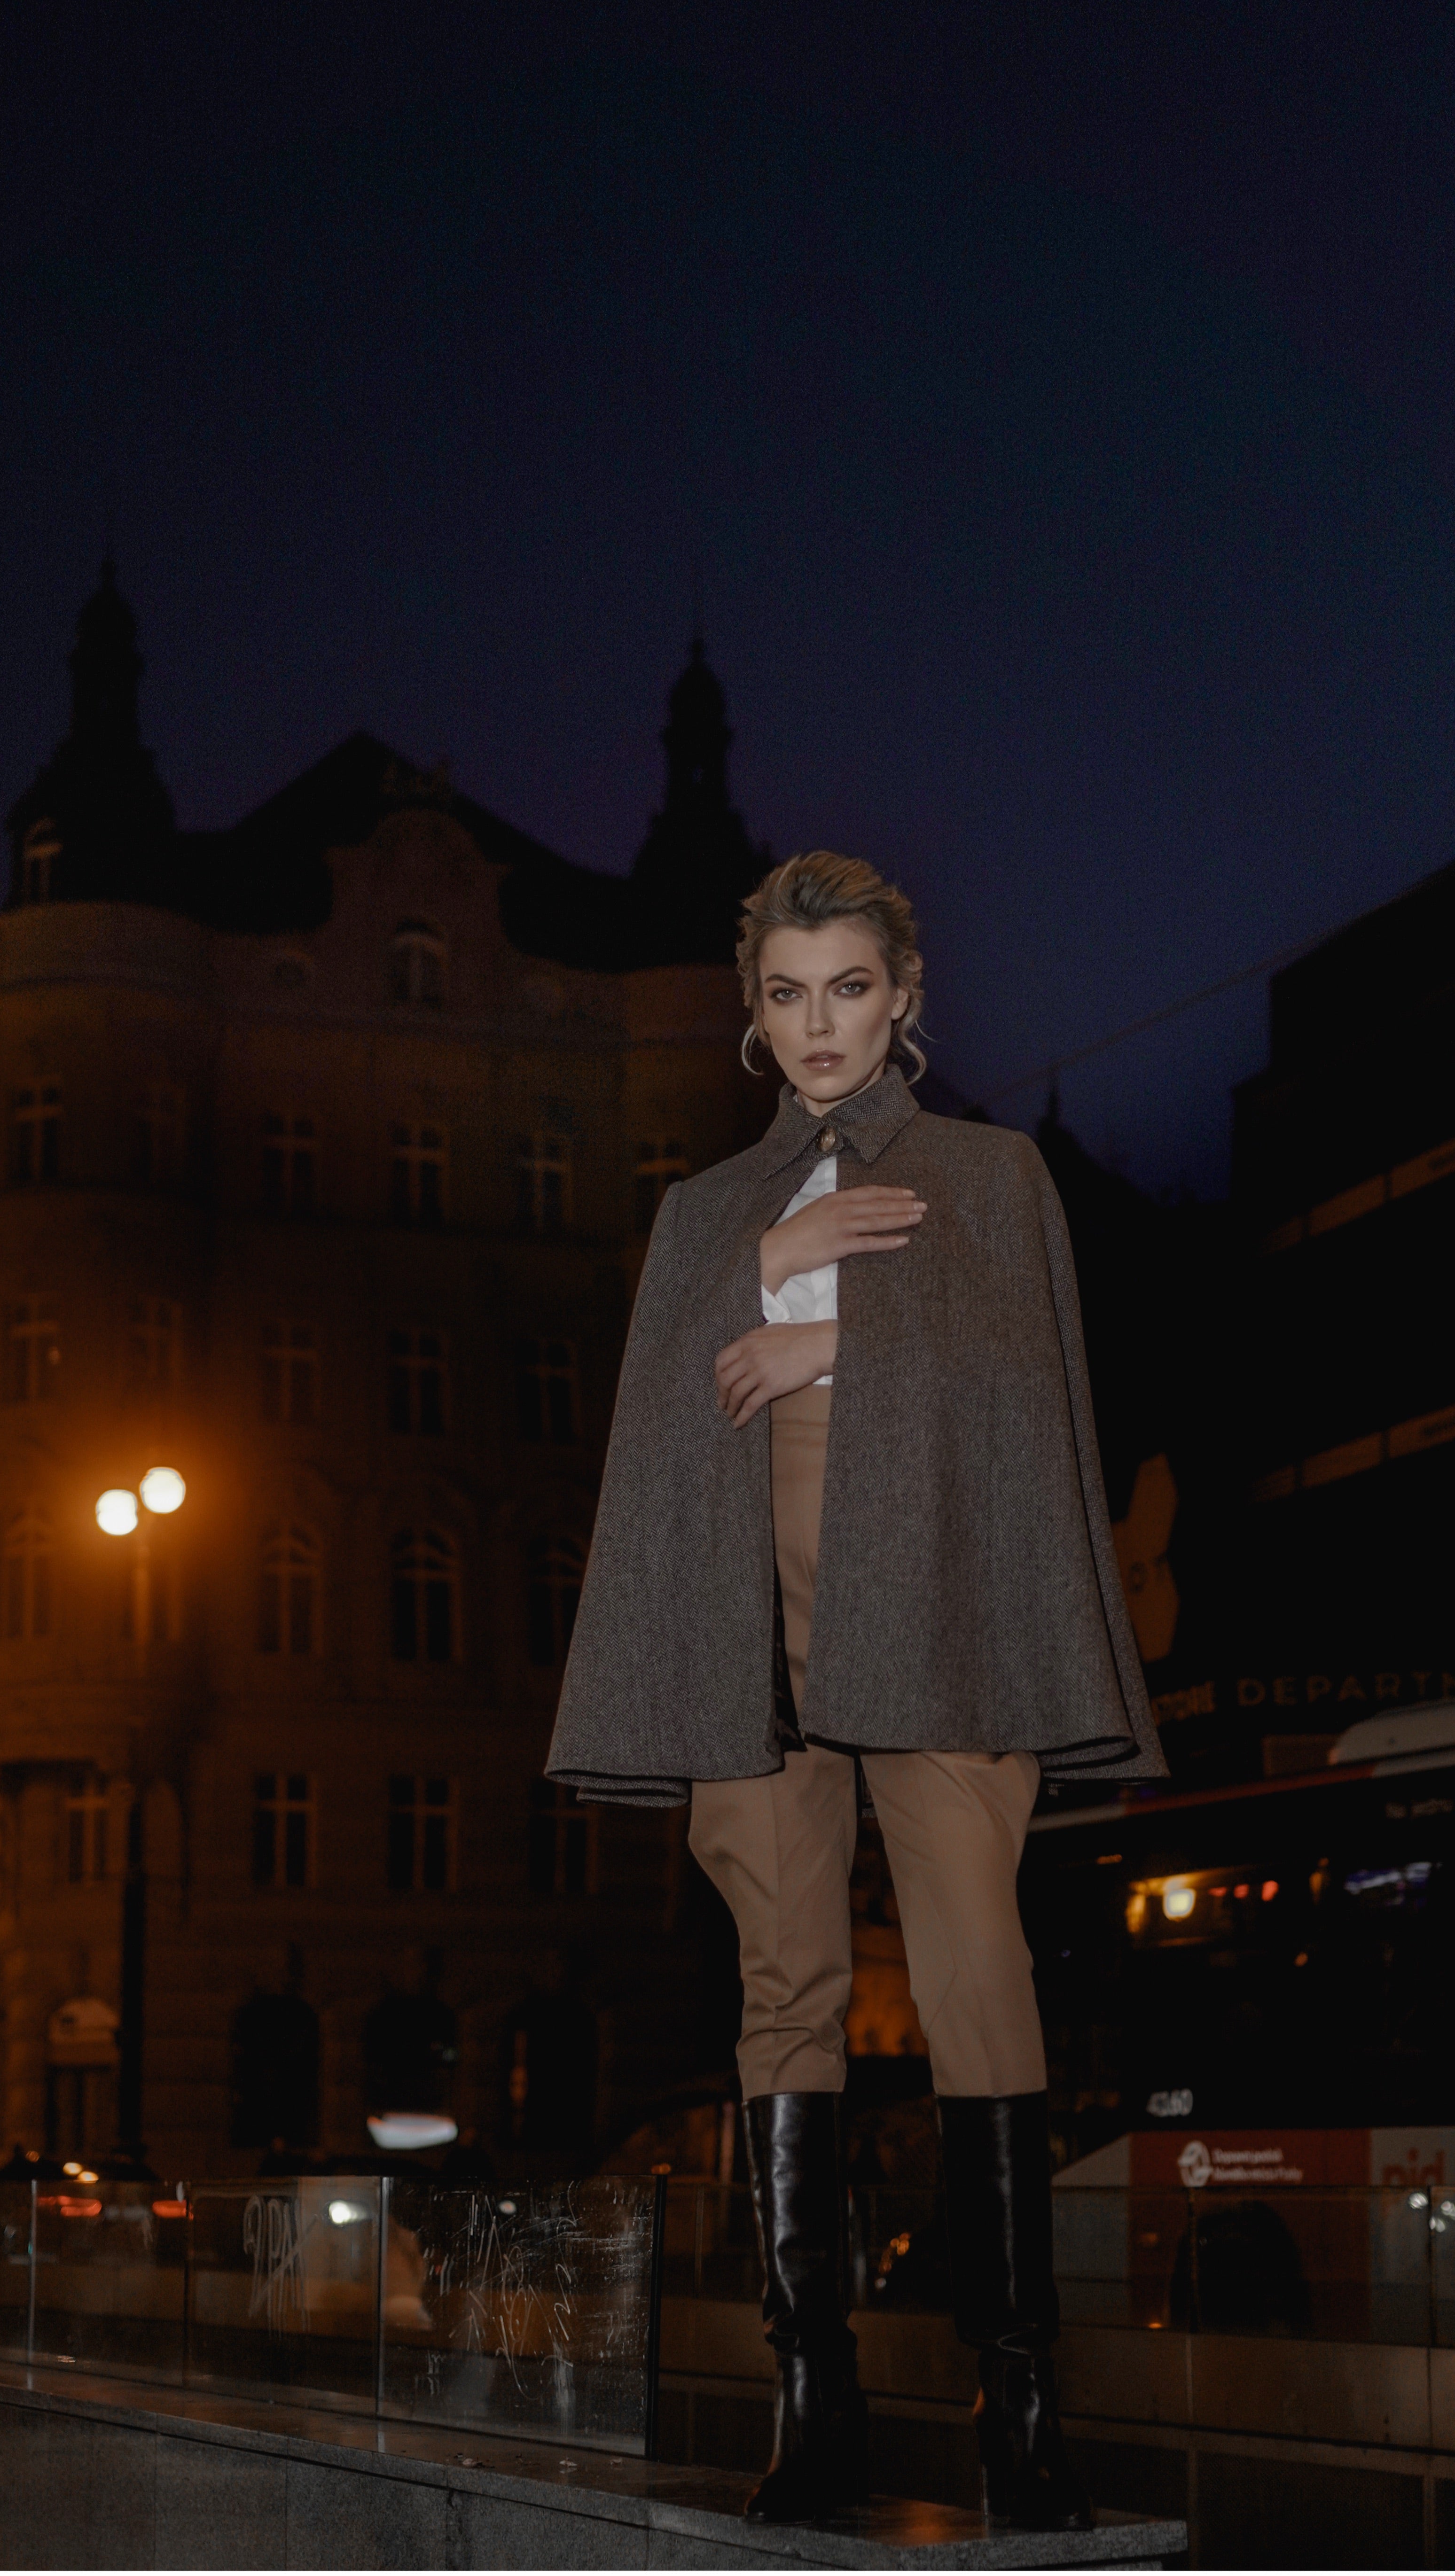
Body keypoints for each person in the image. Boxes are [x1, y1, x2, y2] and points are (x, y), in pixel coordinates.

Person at [548, 851, 1165, 2529]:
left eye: (849, 989)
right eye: (785, 994)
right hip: (745, 1618)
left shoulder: (987, 1172)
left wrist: (830, 1337)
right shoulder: (701, 1215)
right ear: (753, 1018)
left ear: (905, 999)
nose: (819, 1025)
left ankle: (1017, 2400)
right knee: (784, 1985)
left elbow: (1028, 1393)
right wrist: (772, 1260)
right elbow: (652, 1432)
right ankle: (812, 2395)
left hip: (936, 1603)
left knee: (975, 1968)